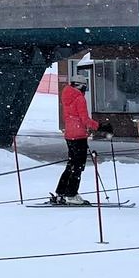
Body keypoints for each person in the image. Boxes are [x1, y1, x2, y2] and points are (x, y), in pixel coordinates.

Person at [49, 75, 98, 206]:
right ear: (80, 85)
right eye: (85, 87)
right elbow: (85, 119)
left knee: (71, 165)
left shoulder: (67, 96)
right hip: (79, 136)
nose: (85, 90)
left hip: (70, 134)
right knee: (78, 167)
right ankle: (71, 194)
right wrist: (99, 126)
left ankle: (61, 192)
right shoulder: (79, 98)